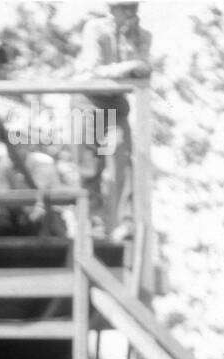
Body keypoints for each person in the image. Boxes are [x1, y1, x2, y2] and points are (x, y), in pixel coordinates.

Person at [73, 2, 152, 239]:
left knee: (124, 159)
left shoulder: (142, 36)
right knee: (89, 166)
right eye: (125, 8)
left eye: (133, 7)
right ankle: (93, 222)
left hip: (115, 104)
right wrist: (128, 67)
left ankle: (125, 222)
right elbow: (92, 70)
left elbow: (144, 67)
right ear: (113, 9)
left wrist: (133, 59)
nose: (131, 13)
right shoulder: (95, 29)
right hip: (89, 100)